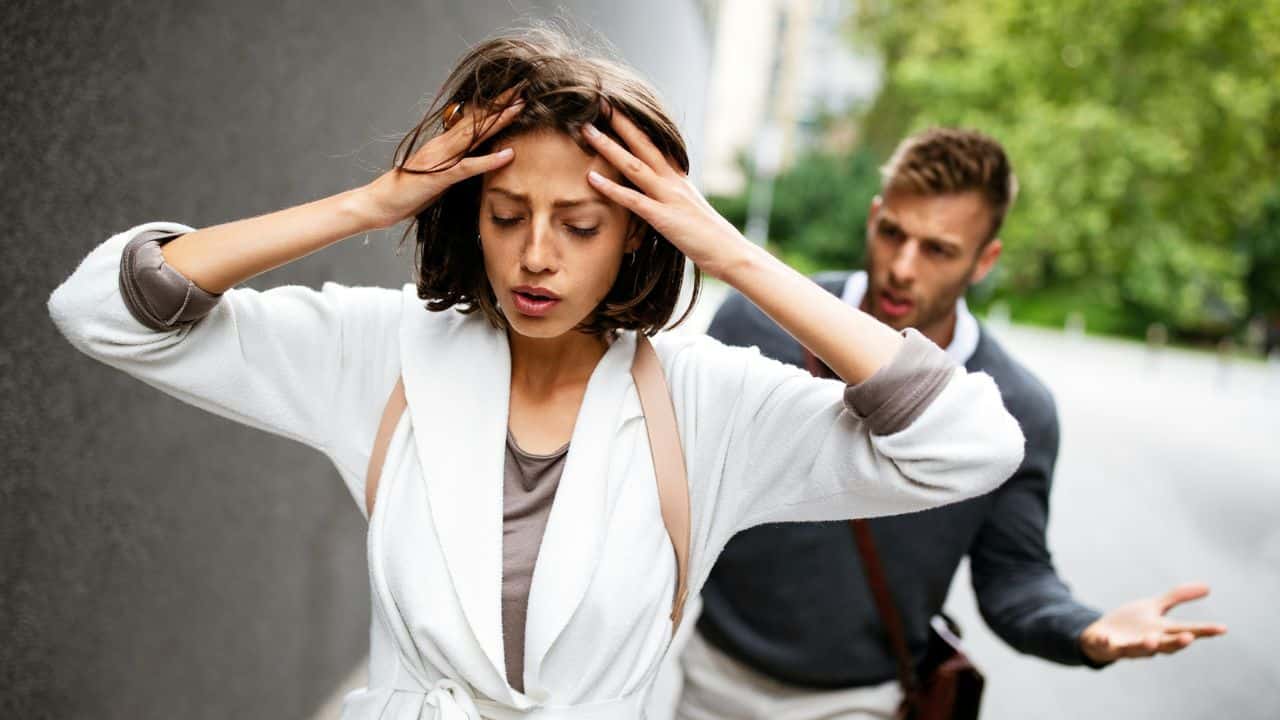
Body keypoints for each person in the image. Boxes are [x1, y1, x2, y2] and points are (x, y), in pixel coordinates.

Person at [46, 29, 1026, 720]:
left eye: (579, 224)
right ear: (469, 216)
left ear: (638, 233)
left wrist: (729, 255)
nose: (536, 257)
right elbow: (102, 309)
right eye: (507, 215)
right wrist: (368, 204)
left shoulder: (706, 403)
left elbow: (967, 446)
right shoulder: (383, 352)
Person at [674, 128, 1229, 719]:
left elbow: (1014, 578)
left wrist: (1085, 631)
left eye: (937, 249)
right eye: (892, 233)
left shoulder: (1014, 407)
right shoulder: (759, 321)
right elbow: (682, 478)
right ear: (874, 216)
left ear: (985, 260)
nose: (902, 268)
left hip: (862, 701)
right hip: (711, 673)